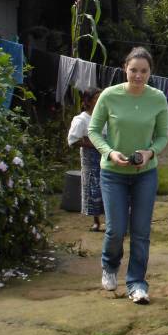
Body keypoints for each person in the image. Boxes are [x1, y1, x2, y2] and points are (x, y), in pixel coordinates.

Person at [88, 47, 168, 305]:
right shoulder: (110, 96)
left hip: (145, 173)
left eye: (143, 71)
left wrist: (150, 153)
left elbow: (162, 136)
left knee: (141, 231)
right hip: (113, 173)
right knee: (115, 229)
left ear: (150, 72)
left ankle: (136, 283)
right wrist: (110, 153)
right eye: (133, 70)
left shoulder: (158, 98)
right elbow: (94, 130)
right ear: (125, 68)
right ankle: (110, 266)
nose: (138, 75)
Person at [67, 88, 104, 231]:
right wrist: (92, 144)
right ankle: (97, 221)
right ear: (88, 101)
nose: (100, 100)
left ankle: (113, 220)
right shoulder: (82, 119)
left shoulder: (105, 116)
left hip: (107, 157)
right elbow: (72, 141)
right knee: (93, 188)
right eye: (97, 98)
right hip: (91, 159)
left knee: (109, 187)